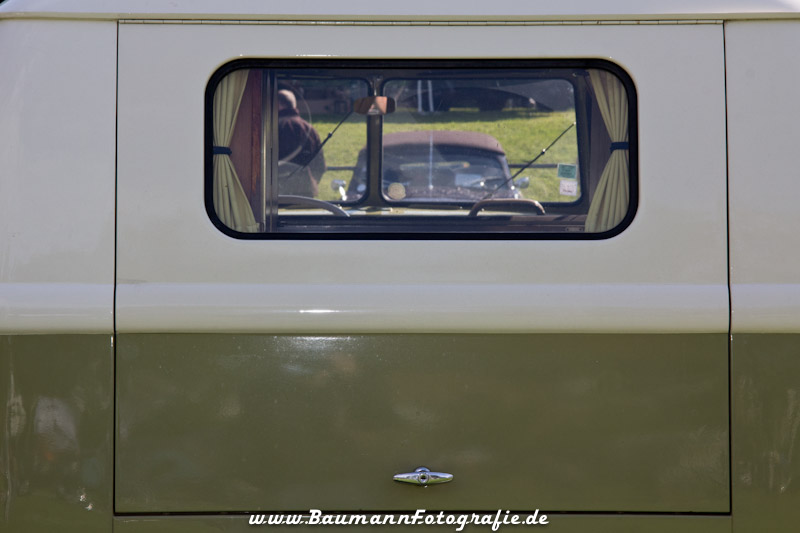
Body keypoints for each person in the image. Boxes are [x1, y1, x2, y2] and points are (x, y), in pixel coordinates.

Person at [277, 89, 326, 197]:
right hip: (306, 193)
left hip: (277, 194)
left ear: (278, 104)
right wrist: (311, 183)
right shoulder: (309, 129)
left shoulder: (273, 128)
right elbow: (320, 165)